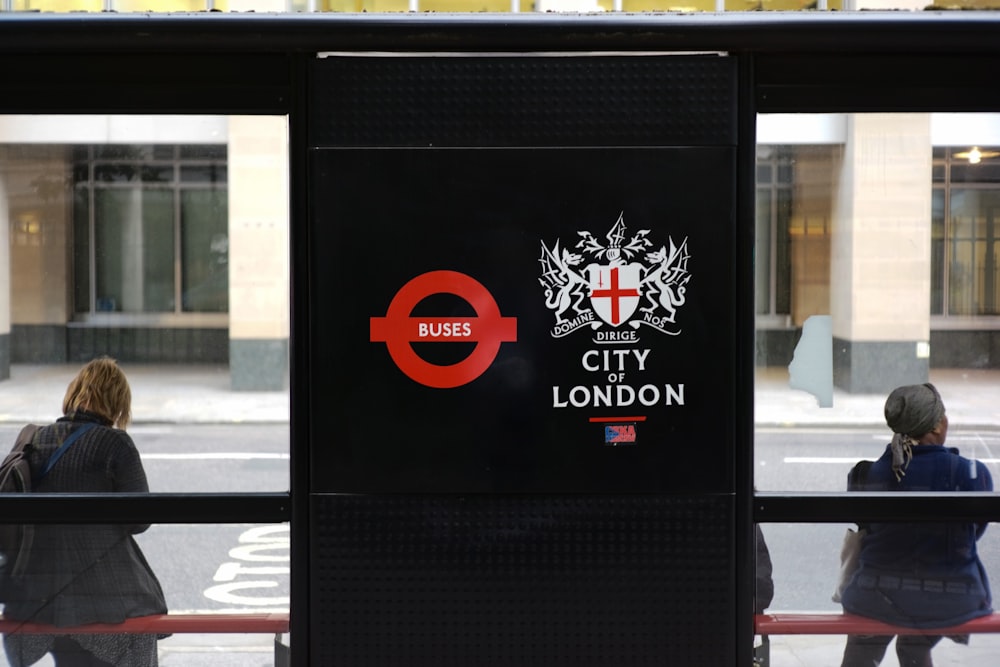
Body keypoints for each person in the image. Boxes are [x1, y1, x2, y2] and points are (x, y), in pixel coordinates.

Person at [2, 357, 167, 667]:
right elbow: (139, 519)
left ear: (74, 393)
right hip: (106, 597)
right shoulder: (115, 444)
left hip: (39, 596)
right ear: (118, 403)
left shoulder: (32, 440)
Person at [839, 382, 993, 667]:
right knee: (913, 643)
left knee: (861, 651)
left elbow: (867, 526)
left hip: (875, 596)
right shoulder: (972, 474)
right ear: (937, 426)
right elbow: (974, 532)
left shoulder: (867, 474)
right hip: (950, 599)